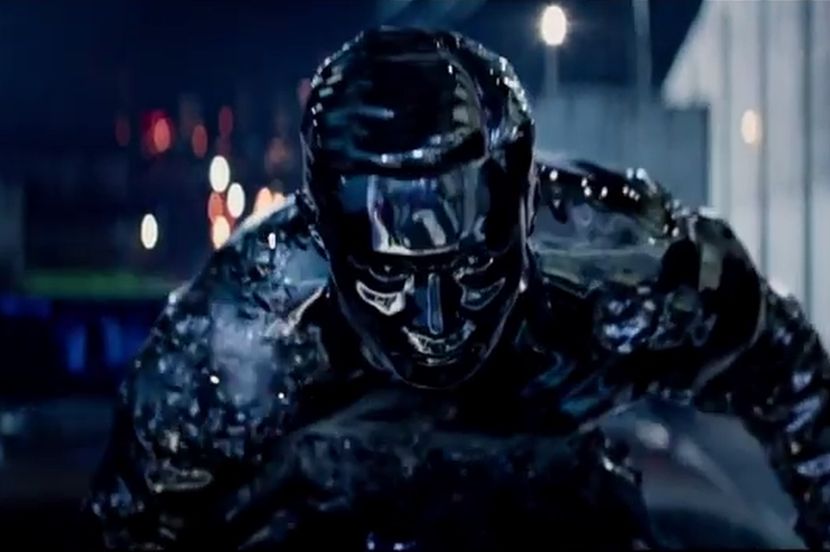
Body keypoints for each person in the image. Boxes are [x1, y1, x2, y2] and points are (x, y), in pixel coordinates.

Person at [83, 27, 830, 550]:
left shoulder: (628, 266)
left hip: (562, 505)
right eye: (390, 276)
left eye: (474, 268)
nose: (436, 321)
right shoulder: (252, 326)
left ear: (523, 216)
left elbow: (793, 380)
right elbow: (137, 519)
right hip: (323, 509)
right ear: (328, 244)